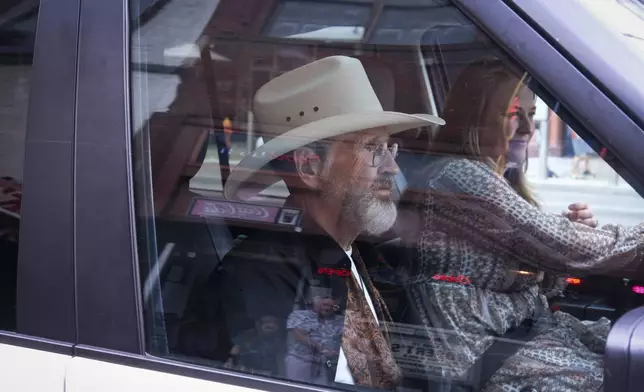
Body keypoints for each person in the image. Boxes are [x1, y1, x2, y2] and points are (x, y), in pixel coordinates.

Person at [179, 55, 445, 390]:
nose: (391, 167)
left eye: (391, 148)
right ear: (310, 168)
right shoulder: (259, 277)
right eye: (373, 148)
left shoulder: (358, 257)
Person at [401, 59, 644, 392]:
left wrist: (563, 239)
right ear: (476, 117)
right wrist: (577, 241)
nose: (528, 128)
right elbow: (558, 245)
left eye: (532, 115)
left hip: (521, 340)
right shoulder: (458, 177)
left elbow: (539, 265)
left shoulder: (493, 180)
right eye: (515, 113)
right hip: (489, 357)